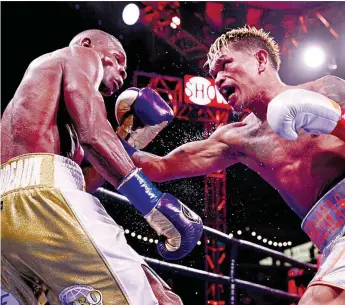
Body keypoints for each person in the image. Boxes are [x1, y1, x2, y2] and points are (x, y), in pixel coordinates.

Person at [118, 26, 345, 305]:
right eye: (213, 74)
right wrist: (122, 137)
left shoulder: (323, 90)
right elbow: (159, 168)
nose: (218, 78)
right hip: (330, 235)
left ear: (260, 60)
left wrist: (337, 120)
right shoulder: (235, 138)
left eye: (225, 65)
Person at [1, 29, 203, 305]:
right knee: (152, 298)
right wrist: (153, 203)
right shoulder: (79, 55)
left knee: (157, 291)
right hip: (44, 200)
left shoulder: (43, 109)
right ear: (87, 43)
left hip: (9, 215)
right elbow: (93, 134)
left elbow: (83, 181)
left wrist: (127, 142)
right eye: (118, 59)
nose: (121, 71)